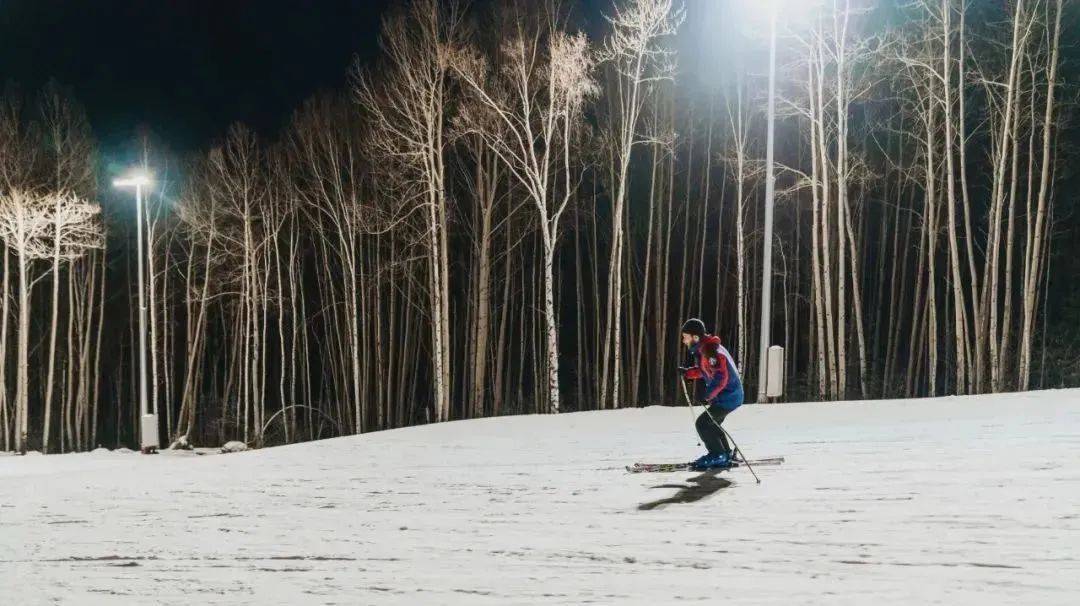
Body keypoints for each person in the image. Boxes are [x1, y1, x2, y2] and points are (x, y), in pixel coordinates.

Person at [678, 318, 744, 470]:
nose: (684, 340)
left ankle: (717, 455)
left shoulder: (711, 352)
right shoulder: (706, 349)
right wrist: (688, 373)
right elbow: (705, 370)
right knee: (712, 425)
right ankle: (725, 453)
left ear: (695, 337)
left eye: (685, 337)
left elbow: (721, 377)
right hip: (728, 396)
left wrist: (707, 395)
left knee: (702, 424)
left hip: (729, 397)